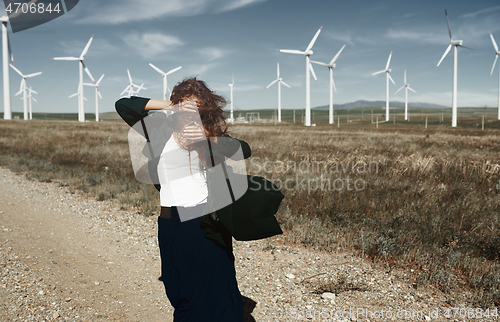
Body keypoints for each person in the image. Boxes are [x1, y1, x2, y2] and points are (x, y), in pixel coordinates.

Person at [115, 77, 248, 322]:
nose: (189, 114)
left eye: (196, 108)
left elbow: (242, 149)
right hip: (169, 225)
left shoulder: (210, 135)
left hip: (203, 223)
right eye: (184, 107)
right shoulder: (160, 130)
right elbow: (124, 105)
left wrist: (205, 141)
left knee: (210, 294)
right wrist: (171, 105)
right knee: (177, 290)